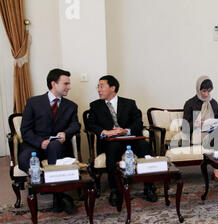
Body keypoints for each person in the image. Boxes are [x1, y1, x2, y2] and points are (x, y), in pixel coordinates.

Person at [86, 75, 157, 206]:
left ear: (112, 88)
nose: (99, 89)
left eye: (102, 86)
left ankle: (149, 186)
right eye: (98, 86)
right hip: (111, 141)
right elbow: (91, 125)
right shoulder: (95, 106)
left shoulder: (129, 103)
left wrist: (126, 130)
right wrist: (105, 132)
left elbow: (138, 123)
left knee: (145, 146)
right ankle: (115, 189)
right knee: (112, 151)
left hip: (130, 138)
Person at [19, 68, 81, 214]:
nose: (69, 87)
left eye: (69, 84)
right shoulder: (33, 102)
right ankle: (57, 195)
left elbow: (76, 125)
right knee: (25, 158)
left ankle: (57, 195)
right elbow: (25, 130)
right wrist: (40, 142)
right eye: (66, 83)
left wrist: (65, 133)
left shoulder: (71, 106)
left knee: (54, 147)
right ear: (54, 84)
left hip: (57, 146)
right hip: (35, 145)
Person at [182, 76, 218, 185]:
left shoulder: (214, 103)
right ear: (198, 89)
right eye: (204, 91)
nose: (206, 94)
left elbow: (216, 120)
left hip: (213, 132)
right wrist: (197, 123)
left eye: (209, 91)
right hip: (199, 134)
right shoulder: (190, 103)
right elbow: (184, 127)